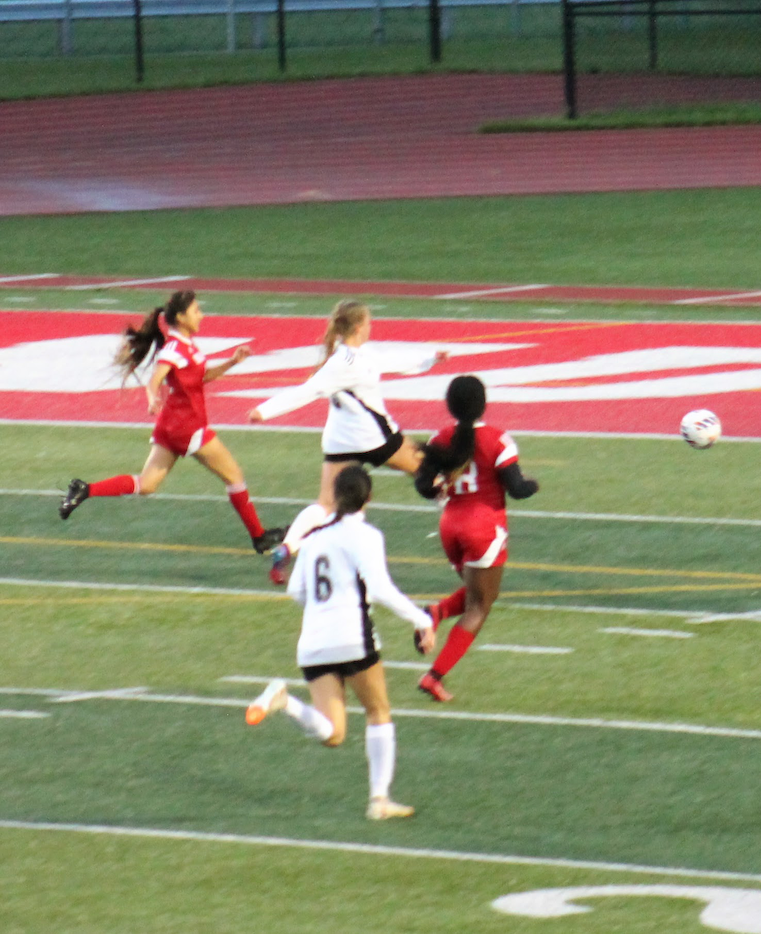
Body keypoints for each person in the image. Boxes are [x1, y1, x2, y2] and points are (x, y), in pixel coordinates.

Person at [245, 464, 436, 821]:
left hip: (313, 643)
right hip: (353, 637)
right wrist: (422, 619)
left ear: (334, 497)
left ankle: (286, 702)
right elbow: (380, 588)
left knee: (333, 733)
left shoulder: (314, 538)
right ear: (369, 498)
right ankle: (379, 799)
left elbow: (296, 590)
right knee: (378, 711)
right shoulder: (367, 535)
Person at [58, 290, 285, 554]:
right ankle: (259, 537)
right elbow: (155, 380)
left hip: (170, 425)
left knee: (147, 484)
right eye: (196, 310)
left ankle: (85, 490)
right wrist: (152, 398)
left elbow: (201, 377)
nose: (201, 315)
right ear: (180, 317)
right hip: (188, 426)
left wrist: (232, 362)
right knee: (234, 476)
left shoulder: (186, 346)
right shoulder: (175, 349)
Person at [246, 299, 445, 583]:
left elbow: (391, 360)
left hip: (340, 441)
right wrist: (264, 411)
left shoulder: (353, 356)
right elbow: (307, 391)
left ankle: (287, 548)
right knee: (431, 471)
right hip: (374, 439)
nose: (371, 327)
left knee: (326, 504)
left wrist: (430, 357)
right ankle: (460, 535)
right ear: (359, 326)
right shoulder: (345, 363)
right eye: (369, 322)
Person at [411, 375, 538, 703]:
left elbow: (423, 486)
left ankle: (435, 613)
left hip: (449, 525)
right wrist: (533, 484)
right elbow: (517, 489)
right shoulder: (498, 440)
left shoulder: (440, 438)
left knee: (478, 591)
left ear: (449, 405)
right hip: (482, 529)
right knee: (480, 605)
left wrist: (438, 488)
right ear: (483, 404)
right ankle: (434, 676)